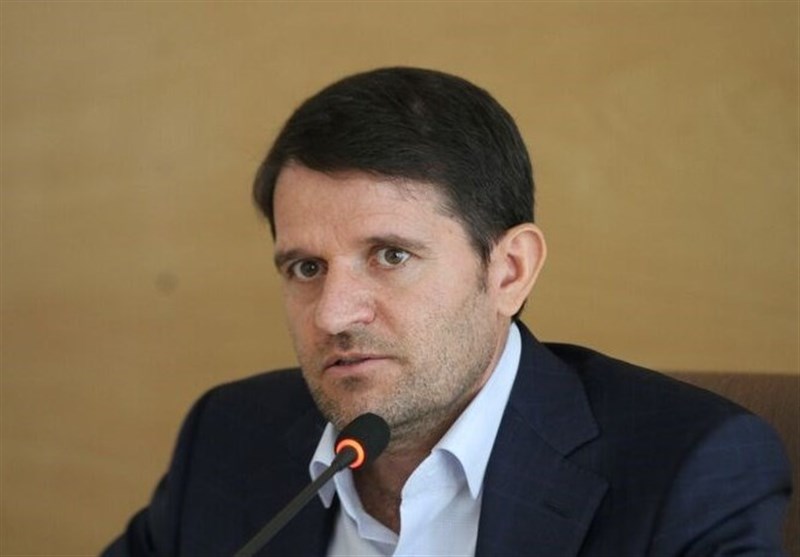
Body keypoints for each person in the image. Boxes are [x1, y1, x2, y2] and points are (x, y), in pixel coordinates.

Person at [103, 67, 791, 557]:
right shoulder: (228, 440)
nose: (334, 314)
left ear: (509, 270)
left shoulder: (688, 470)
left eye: (390, 255)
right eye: (306, 268)